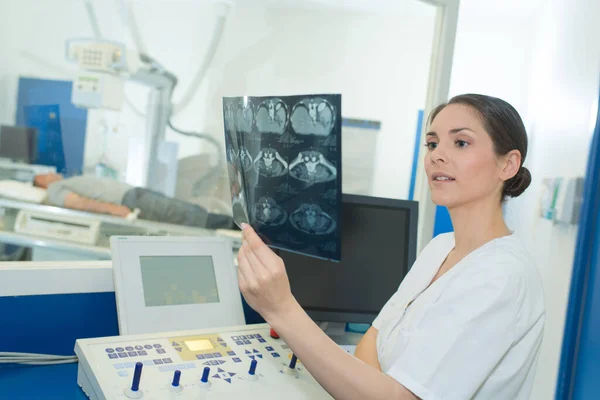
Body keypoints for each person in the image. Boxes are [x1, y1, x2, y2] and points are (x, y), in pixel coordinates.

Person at [235, 94, 546, 399]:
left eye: (460, 143)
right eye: (432, 143)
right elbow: (371, 341)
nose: (437, 155)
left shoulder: (499, 276)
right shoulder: (441, 247)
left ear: (508, 165)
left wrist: (282, 309)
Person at [33, 173, 234, 229]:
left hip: (134, 195)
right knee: (188, 216)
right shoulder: (54, 189)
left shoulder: (67, 180)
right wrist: (114, 209)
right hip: (129, 201)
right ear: (40, 184)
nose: (50, 173)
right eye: (44, 175)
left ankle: (238, 226)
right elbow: (76, 202)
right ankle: (240, 228)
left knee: (188, 211)